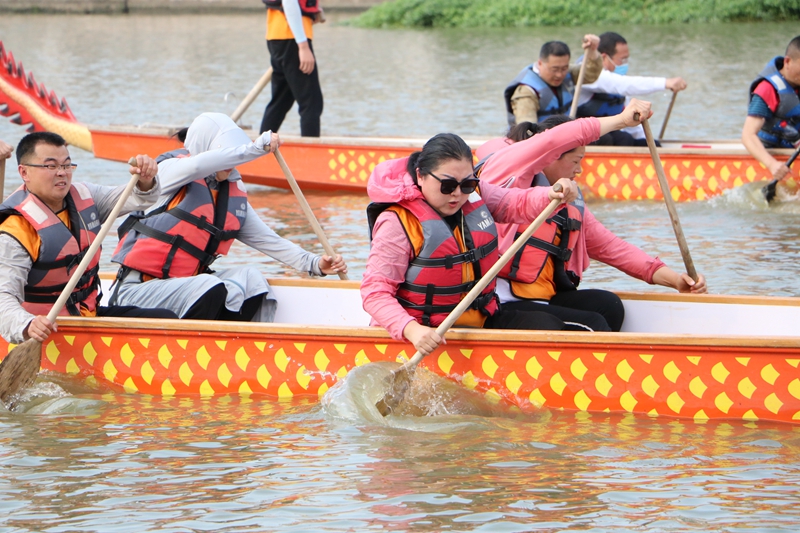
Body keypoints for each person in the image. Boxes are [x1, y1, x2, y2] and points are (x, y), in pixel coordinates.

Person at [478, 105, 707, 332]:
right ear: (550, 157)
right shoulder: (505, 174)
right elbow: (552, 140)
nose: (579, 171)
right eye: (575, 161)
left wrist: (675, 280)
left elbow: (613, 249)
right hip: (499, 302)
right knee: (593, 324)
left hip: (539, 298)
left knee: (610, 306)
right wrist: (621, 120)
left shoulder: (569, 203)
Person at [362, 132, 587, 357]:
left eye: (467, 184)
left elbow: (513, 203)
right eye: (448, 185)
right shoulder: (396, 223)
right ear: (421, 176)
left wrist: (551, 194)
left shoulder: (474, 195)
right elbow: (375, 293)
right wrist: (412, 330)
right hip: (425, 336)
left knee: (550, 327)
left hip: (479, 322)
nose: (458, 194)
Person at [111, 112, 347, 322]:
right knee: (209, 287)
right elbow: (196, 167)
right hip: (138, 289)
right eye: (226, 153)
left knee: (251, 281)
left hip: (186, 286)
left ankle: (236, 350)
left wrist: (314, 263)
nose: (232, 164)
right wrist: (255, 148)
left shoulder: (231, 192)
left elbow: (269, 240)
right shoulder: (169, 171)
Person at [0, 132, 178, 344]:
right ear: (24, 172)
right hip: (46, 331)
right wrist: (27, 326)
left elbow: (137, 197)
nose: (62, 173)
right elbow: (3, 297)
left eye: (66, 165)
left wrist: (145, 181)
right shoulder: (16, 230)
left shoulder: (86, 196)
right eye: (50, 166)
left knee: (165, 320)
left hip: (87, 316)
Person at [575, 31, 687, 146]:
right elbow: (623, 84)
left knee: (645, 143)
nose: (625, 64)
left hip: (609, 132)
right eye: (622, 60)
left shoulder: (619, 87)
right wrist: (665, 83)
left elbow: (632, 121)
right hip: (585, 136)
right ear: (604, 58)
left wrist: (649, 143)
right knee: (620, 138)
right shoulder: (585, 73)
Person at [504, 35, 603, 126]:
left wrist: (592, 51)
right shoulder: (526, 92)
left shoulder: (568, 73)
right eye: (554, 69)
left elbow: (590, 74)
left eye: (564, 68)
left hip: (566, 133)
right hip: (543, 140)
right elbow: (527, 129)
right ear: (540, 63)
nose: (559, 75)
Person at [260, 0, 325, 137]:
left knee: (281, 100)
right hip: (292, 39)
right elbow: (289, 2)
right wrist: (303, 46)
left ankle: (260, 149)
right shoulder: (299, 44)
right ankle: (310, 153)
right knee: (311, 102)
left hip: (277, 36)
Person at [742, 35, 800, 184]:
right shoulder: (767, 89)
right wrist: (772, 164)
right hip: (773, 153)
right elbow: (748, 135)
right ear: (787, 61)